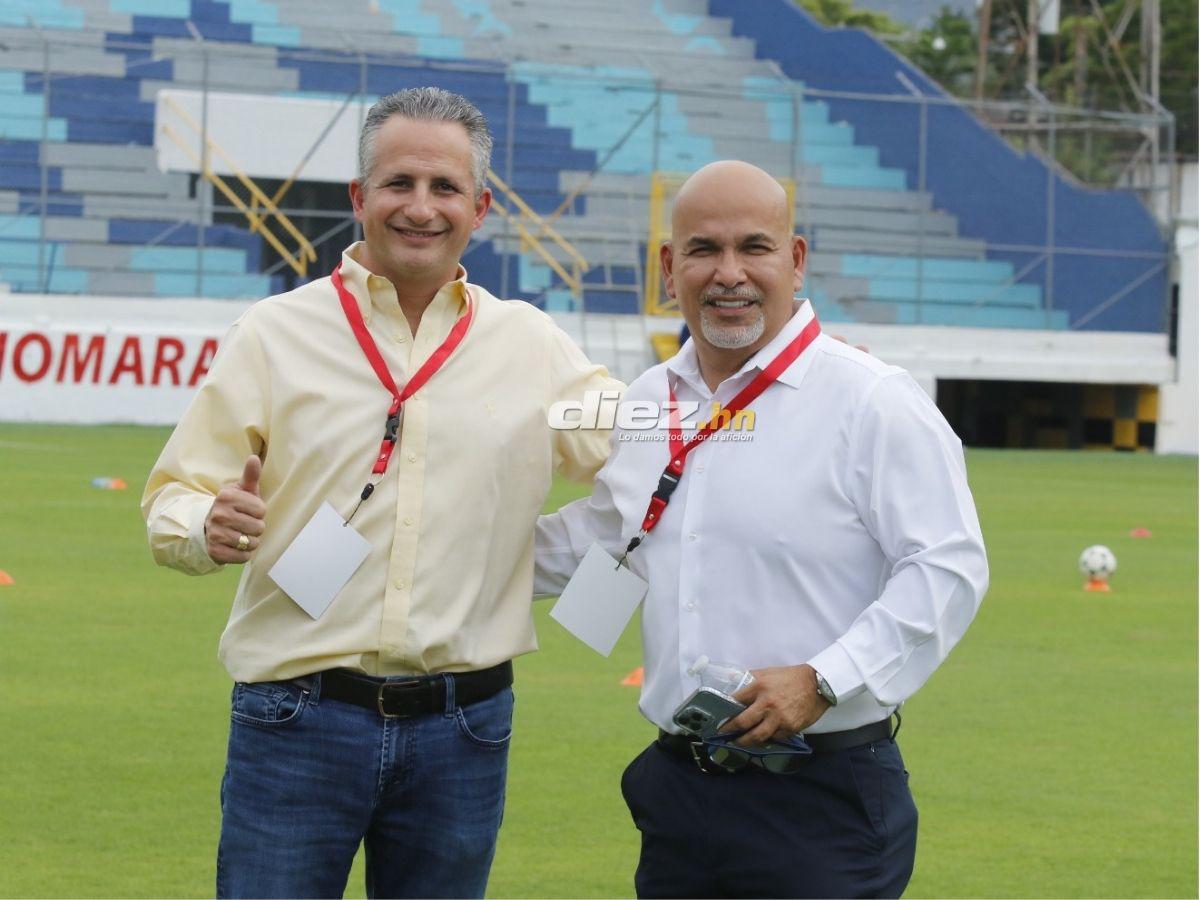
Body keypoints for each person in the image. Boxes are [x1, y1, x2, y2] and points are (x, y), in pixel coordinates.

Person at [141, 87, 619, 899]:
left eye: (445, 188)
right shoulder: (274, 335)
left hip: (463, 728)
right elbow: (172, 497)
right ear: (361, 198)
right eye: (399, 183)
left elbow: (633, 440)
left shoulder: (532, 346)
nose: (421, 208)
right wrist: (204, 523)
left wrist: (753, 408)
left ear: (482, 207)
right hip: (295, 717)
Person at [534, 160, 989, 898]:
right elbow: (607, 537)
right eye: (704, 249)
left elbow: (948, 567)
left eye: (755, 247)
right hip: (679, 793)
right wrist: (422, 538)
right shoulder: (653, 399)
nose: (729, 273)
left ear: (796, 259)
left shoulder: (870, 400)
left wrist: (822, 680)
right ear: (668, 265)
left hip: (819, 797)